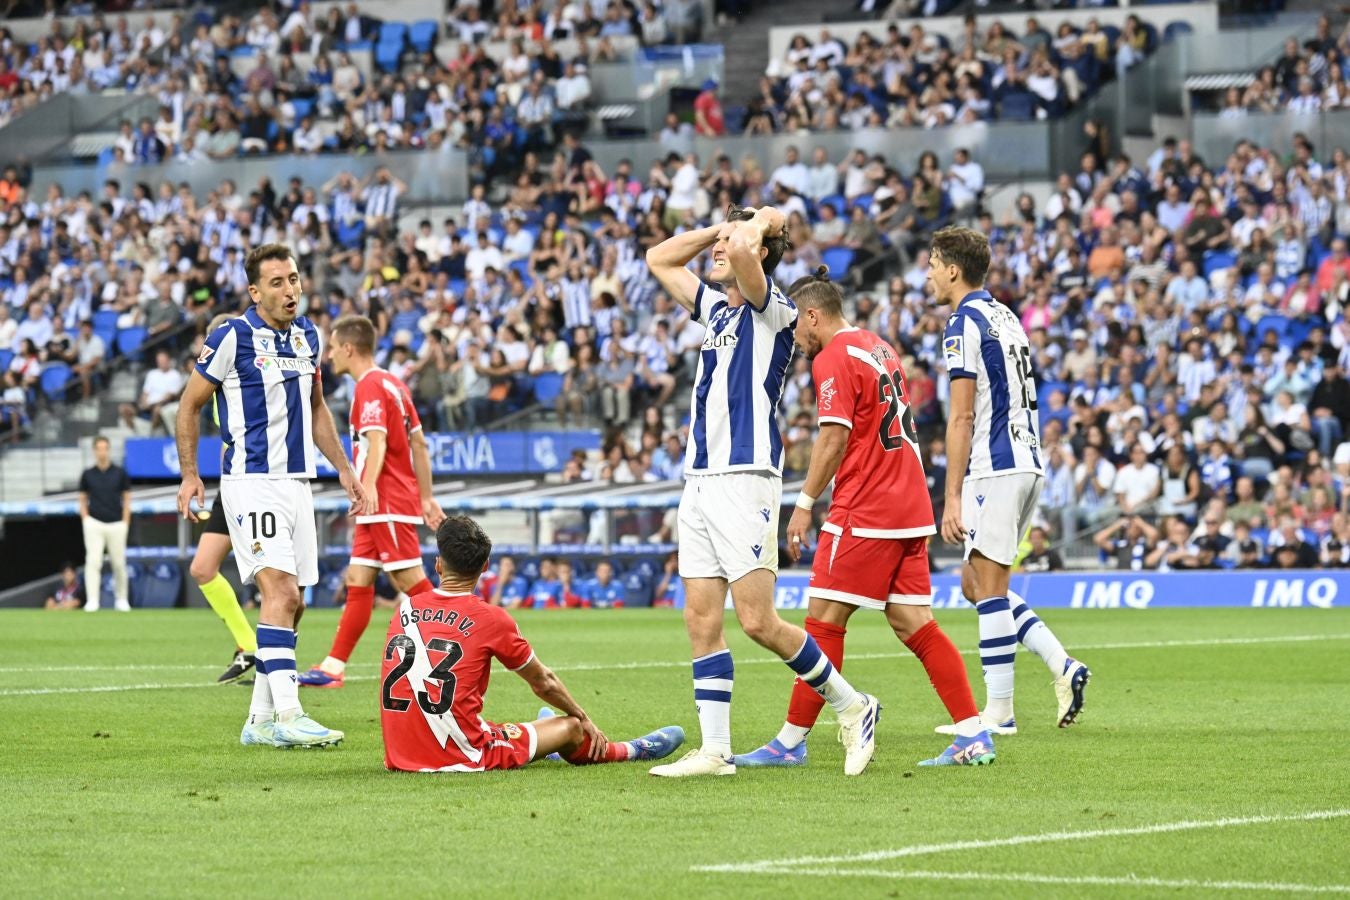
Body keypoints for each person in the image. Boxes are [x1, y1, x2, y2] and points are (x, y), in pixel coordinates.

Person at [644, 204, 879, 778]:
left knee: (758, 622)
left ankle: (853, 705)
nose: (720, 250)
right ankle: (716, 751)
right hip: (698, 478)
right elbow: (658, 258)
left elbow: (749, 251)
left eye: (730, 242)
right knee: (701, 619)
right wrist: (717, 232)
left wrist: (761, 223)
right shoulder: (716, 312)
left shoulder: (769, 307)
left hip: (745, 477)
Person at [738, 272, 992, 768]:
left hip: (866, 508)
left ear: (813, 315)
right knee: (915, 623)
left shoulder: (832, 356)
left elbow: (833, 437)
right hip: (911, 504)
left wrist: (806, 502)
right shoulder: (879, 346)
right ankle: (972, 733)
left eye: (798, 327)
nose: (796, 338)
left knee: (823, 622)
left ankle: (791, 742)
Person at [175, 243, 373, 749]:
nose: (291, 290)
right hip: (249, 482)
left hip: (297, 484)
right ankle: (290, 713)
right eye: (279, 282)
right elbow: (189, 405)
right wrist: (190, 474)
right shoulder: (230, 336)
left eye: (294, 279)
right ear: (255, 290)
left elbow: (318, 409)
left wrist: (345, 469)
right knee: (280, 592)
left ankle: (259, 720)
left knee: (295, 602)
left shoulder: (307, 336)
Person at [935, 226, 1091, 736]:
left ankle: (999, 713)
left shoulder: (962, 322)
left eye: (934, 264)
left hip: (995, 466)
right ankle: (1062, 665)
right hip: (1026, 460)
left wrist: (952, 495)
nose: (930, 273)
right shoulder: (1006, 314)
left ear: (954, 270)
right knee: (975, 583)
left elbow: (961, 417)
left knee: (991, 586)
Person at [381, 514, 685, 773]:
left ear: (437, 565)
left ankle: (544, 739)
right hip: (460, 755)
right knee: (571, 728)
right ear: (486, 566)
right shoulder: (492, 619)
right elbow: (544, 683)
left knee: (498, 726)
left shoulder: (404, 610)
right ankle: (629, 750)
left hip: (399, 756)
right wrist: (583, 717)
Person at [297, 315, 446, 688]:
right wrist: (426, 497)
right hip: (386, 498)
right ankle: (333, 666)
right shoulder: (395, 384)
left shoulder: (369, 387)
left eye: (332, 348)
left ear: (348, 348)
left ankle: (461, 643)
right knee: (358, 578)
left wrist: (366, 488)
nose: (329, 356)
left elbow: (376, 441)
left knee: (410, 580)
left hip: (385, 500)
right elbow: (419, 444)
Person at [186, 314, 261, 685]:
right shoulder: (216, 385)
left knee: (275, 579)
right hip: (230, 485)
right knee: (202, 568)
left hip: (259, 483)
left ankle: (276, 656)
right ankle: (249, 646)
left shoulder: (247, 379)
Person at [79, 435, 131, 612]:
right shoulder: (87, 474)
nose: (102, 452)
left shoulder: (120, 473)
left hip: (117, 523)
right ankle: (92, 600)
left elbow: (126, 498)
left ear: (108, 450)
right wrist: (85, 518)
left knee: (119, 563)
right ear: (94, 451)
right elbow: (82, 498)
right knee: (93, 562)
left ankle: (122, 599)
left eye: (105, 448)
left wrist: (125, 521)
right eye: (99, 448)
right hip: (94, 523)